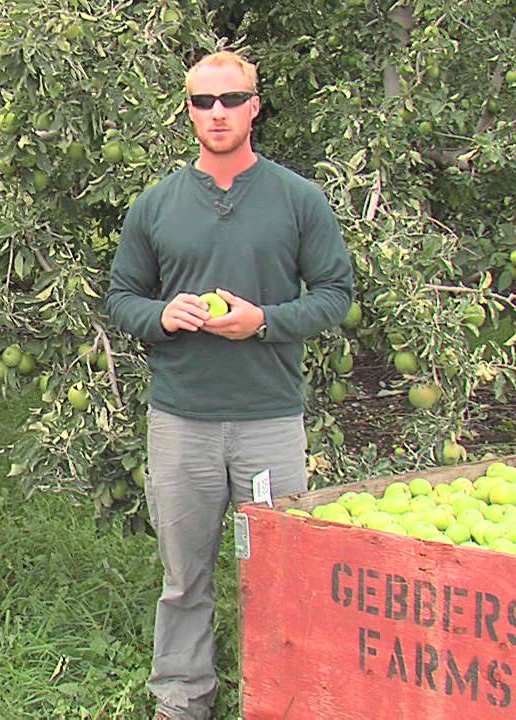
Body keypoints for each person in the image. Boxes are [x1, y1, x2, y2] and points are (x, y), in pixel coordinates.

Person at [105, 51, 356, 720]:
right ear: (188, 111)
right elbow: (123, 297)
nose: (216, 113)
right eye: (201, 102)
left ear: (254, 107)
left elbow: (335, 295)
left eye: (230, 99)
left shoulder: (298, 199)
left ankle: (282, 698)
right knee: (185, 575)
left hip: (268, 420)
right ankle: (183, 699)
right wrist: (162, 314)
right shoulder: (155, 205)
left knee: (279, 577)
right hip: (181, 420)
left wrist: (264, 322)